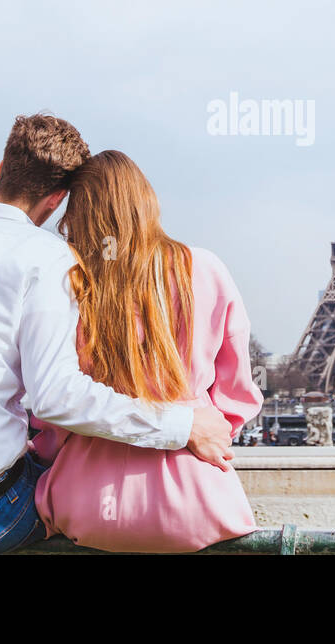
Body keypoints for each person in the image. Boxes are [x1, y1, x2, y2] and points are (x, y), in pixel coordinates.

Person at [0, 114, 233, 555]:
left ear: (0, 167)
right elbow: (57, 398)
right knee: (66, 484)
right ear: (56, 201)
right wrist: (181, 424)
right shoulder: (49, 260)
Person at [32, 150, 264, 553]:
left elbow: (54, 410)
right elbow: (238, 395)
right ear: (147, 201)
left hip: (85, 504)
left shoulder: (74, 283)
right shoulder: (205, 268)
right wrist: (201, 432)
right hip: (193, 501)